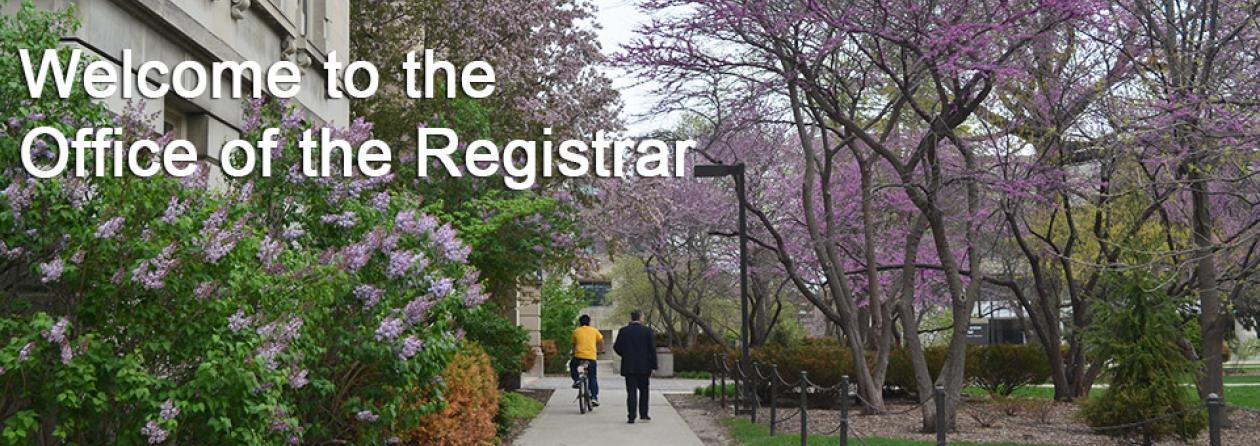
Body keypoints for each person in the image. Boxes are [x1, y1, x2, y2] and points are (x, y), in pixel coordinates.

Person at [613, 310, 657, 424]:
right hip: (644, 365)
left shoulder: (623, 331)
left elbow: (617, 347)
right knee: (644, 391)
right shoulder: (647, 331)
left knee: (631, 392)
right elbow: (652, 349)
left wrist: (626, 355)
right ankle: (644, 414)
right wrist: (654, 365)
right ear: (641, 318)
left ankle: (631, 416)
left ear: (631, 318)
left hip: (629, 365)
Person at [569, 314, 603, 406]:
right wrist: (601, 350)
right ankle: (594, 398)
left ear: (580, 322)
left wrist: (573, 352)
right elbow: (601, 341)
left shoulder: (576, 331)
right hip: (591, 357)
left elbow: (573, 344)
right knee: (593, 377)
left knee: (572, 365)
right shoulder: (594, 331)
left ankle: (576, 380)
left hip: (579, 356)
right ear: (589, 322)